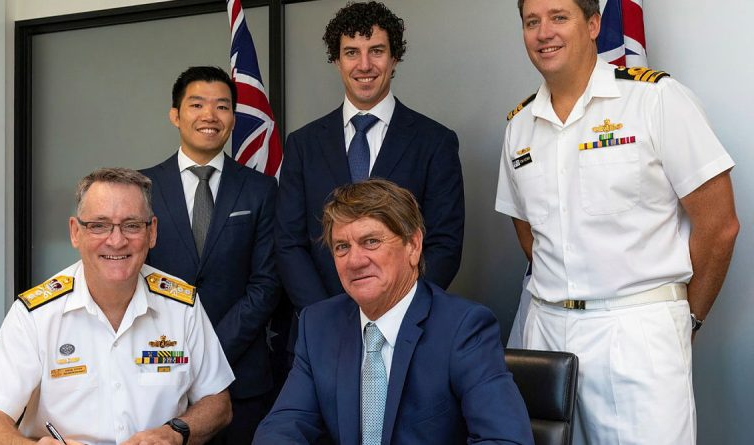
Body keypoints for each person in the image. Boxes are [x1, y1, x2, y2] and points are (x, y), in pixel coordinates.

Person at [495, 0, 740, 443]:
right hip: (546, 332)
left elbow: (720, 225)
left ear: (593, 25)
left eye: (558, 17)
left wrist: (690, 320)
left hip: (636, 332)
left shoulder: (655, 99)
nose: (543, 32)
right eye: (532, 22)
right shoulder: (519, 126)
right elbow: (530, 232)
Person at [0, 167, 234, 445]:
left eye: (131, 225)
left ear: (152, 232)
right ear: (75, 232)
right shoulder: (35, 315)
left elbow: (217, 403)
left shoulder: (182, 306)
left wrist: (174, 432)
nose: (116, 241)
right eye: (99, 225)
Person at [256, 179, 533, 445]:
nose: (355, 260)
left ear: (413, 245)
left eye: (371, 242)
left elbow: (505, 438)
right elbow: (282, 428)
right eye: (342, 247)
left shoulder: (464, 328)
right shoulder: (319, 325)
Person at [275, 1, 465, 334]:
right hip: (320, 331)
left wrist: (395, 313)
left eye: (376, 50)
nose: (364, 65)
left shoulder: (435, 141)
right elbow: (290, 244)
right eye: (351, 53)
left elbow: (444, 244)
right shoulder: (302, 145)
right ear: (336, 61)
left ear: (394, 58)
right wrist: (328, 316)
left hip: (408, 330)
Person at [140, 66, 280, 444]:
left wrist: (211, 349)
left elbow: (266, 283)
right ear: (175, 115)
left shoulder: (261, 190)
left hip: (241, 376)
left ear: (233, 118)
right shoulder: (141, 187)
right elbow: (131, 276)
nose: (209, 116)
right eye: (197, 104)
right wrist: (182, 353)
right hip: (158, 370)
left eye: (222, 106)